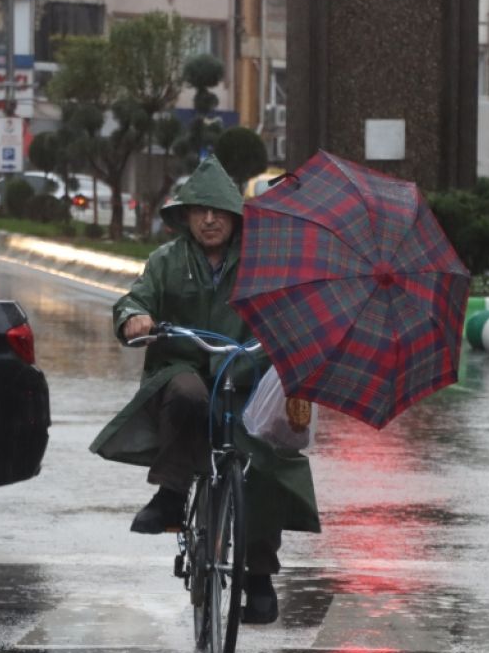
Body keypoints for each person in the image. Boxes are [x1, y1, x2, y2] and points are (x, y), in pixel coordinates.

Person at [90, 155, 319, 624]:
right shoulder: (166, 261)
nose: (209, 219)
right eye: (199, 211)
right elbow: (134, 298)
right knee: (189, 394)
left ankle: (258, 576)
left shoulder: (263, 260)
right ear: (187, 217)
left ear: (235, 217)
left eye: (217, 211)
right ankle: (172, 493)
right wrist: (133, 317)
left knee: (262, 460)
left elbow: (290, 304)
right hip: (183, 364)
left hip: (245, 373)